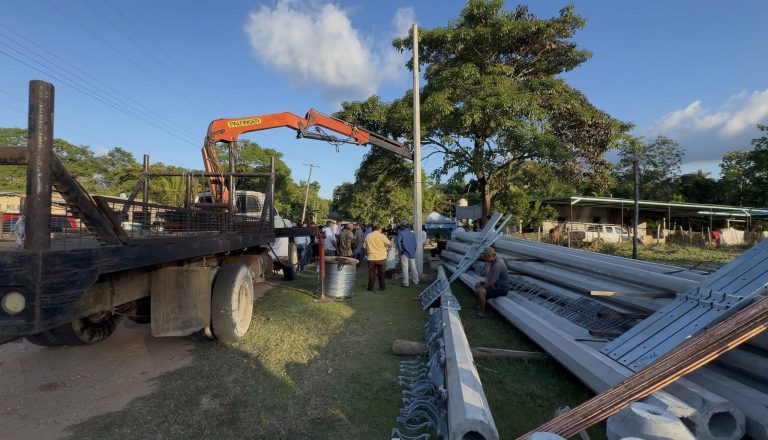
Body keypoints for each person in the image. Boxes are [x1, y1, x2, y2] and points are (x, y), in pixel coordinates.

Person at [473, 247, 508, 318]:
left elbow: (491, 283)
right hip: (496, 284)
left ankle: (482, 312)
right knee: (477, 284)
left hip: (501, 289)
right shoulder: (493, 260)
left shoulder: (498, 264)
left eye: (485, 258)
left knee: (480, 291)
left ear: (489, 256)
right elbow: (490, 279)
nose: (485, 260)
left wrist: (480, 289)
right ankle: (483, 305)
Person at [364, 224, 391, 291]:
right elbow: (389, 244)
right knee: (381, 273)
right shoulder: (382, 236)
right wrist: (388, 250)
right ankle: (382, 287)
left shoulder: (368, 236)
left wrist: (366, 255)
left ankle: (370, 287)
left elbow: (364, 247)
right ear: (379, 229)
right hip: (381, 257)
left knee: (371, 273)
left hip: (371, 257)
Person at [395, 220, 419, 287]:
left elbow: (398, 243)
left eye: (401, 226)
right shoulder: (412, 234)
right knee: (413, 267)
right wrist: (413, 251)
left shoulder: (401, 233)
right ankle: (416, 281)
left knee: (405, 268)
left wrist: (400, 250)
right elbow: (415, 244)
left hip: (404, 252)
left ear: (403, 226)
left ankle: (406, 283)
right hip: (412, 253)